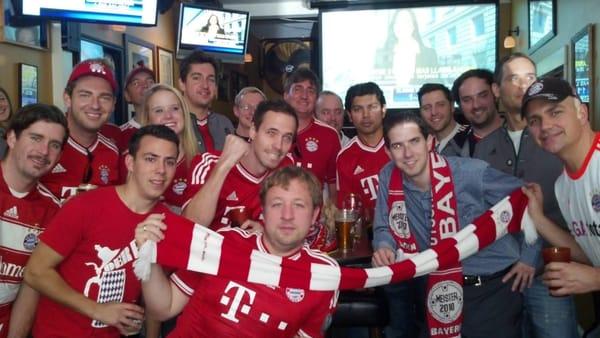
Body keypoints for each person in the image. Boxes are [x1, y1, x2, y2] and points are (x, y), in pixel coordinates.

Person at [372, 112, 538, 338]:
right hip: (436, 289)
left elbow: (528, 197)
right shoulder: (388, 176)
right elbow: (384, 224)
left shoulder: (470, 172)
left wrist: (529, 257)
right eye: (398, 146)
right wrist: (384, 246)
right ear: (388, 152)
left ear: (430, 142)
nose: (408, 153)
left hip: (489, 290)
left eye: (414, 141)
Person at [138, 165, 338, 337]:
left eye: (299, 205)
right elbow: (164, 307)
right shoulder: (226, 243)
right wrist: (149, 256)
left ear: (314, 215)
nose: (287, 215)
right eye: (277, 204)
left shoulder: (324, 275)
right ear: (263, 211)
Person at [24, 125, 180, 337]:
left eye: (169, 162)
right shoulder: (86, 206)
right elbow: (35, 272)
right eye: (150, 159)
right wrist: (97, 310)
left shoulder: (168, 223)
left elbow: (153, 297)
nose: (161, 170)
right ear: (130, 162)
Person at [474, 54, 578, 338]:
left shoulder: (558, 138)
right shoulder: (484, 149)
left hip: (550, 273)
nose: (524, 86)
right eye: (514, 78)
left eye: (530, 78)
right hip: (502, 277)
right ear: (497, 90)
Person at [521, 77, 600, 296]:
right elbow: (590, 253)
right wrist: (538, 219)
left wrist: (595, 278)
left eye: (555, 112)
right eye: (534, 120)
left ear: (581, 113)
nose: (545, 126)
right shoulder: (562, 186)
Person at [0, 104, 66, 338]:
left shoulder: (53, 211)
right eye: (36, 138)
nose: (43, 151)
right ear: (11, 137)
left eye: (54, 145)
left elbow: (32, 285)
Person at [183, 100, 296, 231]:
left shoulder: (287, 169)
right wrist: (224, 165)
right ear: (253, 131)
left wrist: (267, 234)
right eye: (271, 133)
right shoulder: (208, 163)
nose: (278, 146)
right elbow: (189, 225)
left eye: (287, 137)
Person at [40, 58, 120, 201]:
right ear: (67, 98)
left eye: (104, 97)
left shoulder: (113, 152)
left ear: (113, 104)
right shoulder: (41, 144)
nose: (95, 105)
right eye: (85, 95)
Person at [129, 84, 198, 211]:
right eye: (159, 110)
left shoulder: (200, 163)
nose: (168, 116)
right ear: (148, 118)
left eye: (175, 108)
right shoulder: (134, 161)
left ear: (184, 113)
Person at [283, 68, 341, 203]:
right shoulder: (271, 130)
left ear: (316, 98)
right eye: (298, 89)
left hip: (314, 218)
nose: (304, 96)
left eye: (311, 91)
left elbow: (334, 190)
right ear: (286, 95)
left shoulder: (329, 135)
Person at [336, 82, 389, 213]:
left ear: (383, 110)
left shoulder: (401, 143)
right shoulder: (345, 157)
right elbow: (348, 210)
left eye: (372, 107)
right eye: (358, 109)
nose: (366, 115)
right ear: (349, 115)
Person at [178, 51, 234, 153]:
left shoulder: (224, 124)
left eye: (211, 79)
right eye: (196, 78)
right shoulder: (173, 122)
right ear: (182, 83)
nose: (205, 85)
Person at [379, 9, 437, 88]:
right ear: (393, 26)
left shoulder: (429, 53)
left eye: (406, 21)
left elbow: (436, 85)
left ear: (413, 26)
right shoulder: (380, 54)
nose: (402, 26)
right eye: (398, 22)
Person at [452, 69, 503, 157]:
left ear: (495, 94)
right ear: (459, 105)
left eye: (483, 96)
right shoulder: (454, 147)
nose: (476, 105)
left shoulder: (521, 134)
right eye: (467, 100)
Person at [417, 83, 470, 156]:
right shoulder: (419, 145)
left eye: (440, 105)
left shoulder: (470, 138)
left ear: (452, 107)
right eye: (427, 108)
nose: (433, 112)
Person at [119, 62, 156, 152]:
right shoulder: (120, 134)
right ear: (127, 95)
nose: (145, 86)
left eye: (150, 82)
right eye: (136, 83)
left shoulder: (170, 125)